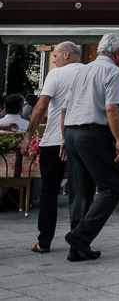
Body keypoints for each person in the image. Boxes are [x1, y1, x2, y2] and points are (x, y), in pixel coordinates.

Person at [62, 33, 119, 261]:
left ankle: (77, 248)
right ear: (117, 52)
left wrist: (64, 137)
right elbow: (112, 108)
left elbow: (66, 106)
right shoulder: (114, 72)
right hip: (94, 133)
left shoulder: (82, 70)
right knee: (114, 185)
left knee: (80, 192)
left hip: (72, 131)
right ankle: (81, 236)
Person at [20, 41, 83, 254]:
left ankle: (44, 241)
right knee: (80, 192)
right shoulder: (90, 72)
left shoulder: (55, 75)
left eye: (55, 55)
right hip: (80, 140)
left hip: (54, 141)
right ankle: (79, 239)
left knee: (49, 193)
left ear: (66, 55)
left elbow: (41, 106)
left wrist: (29, 134)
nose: (53, 59)